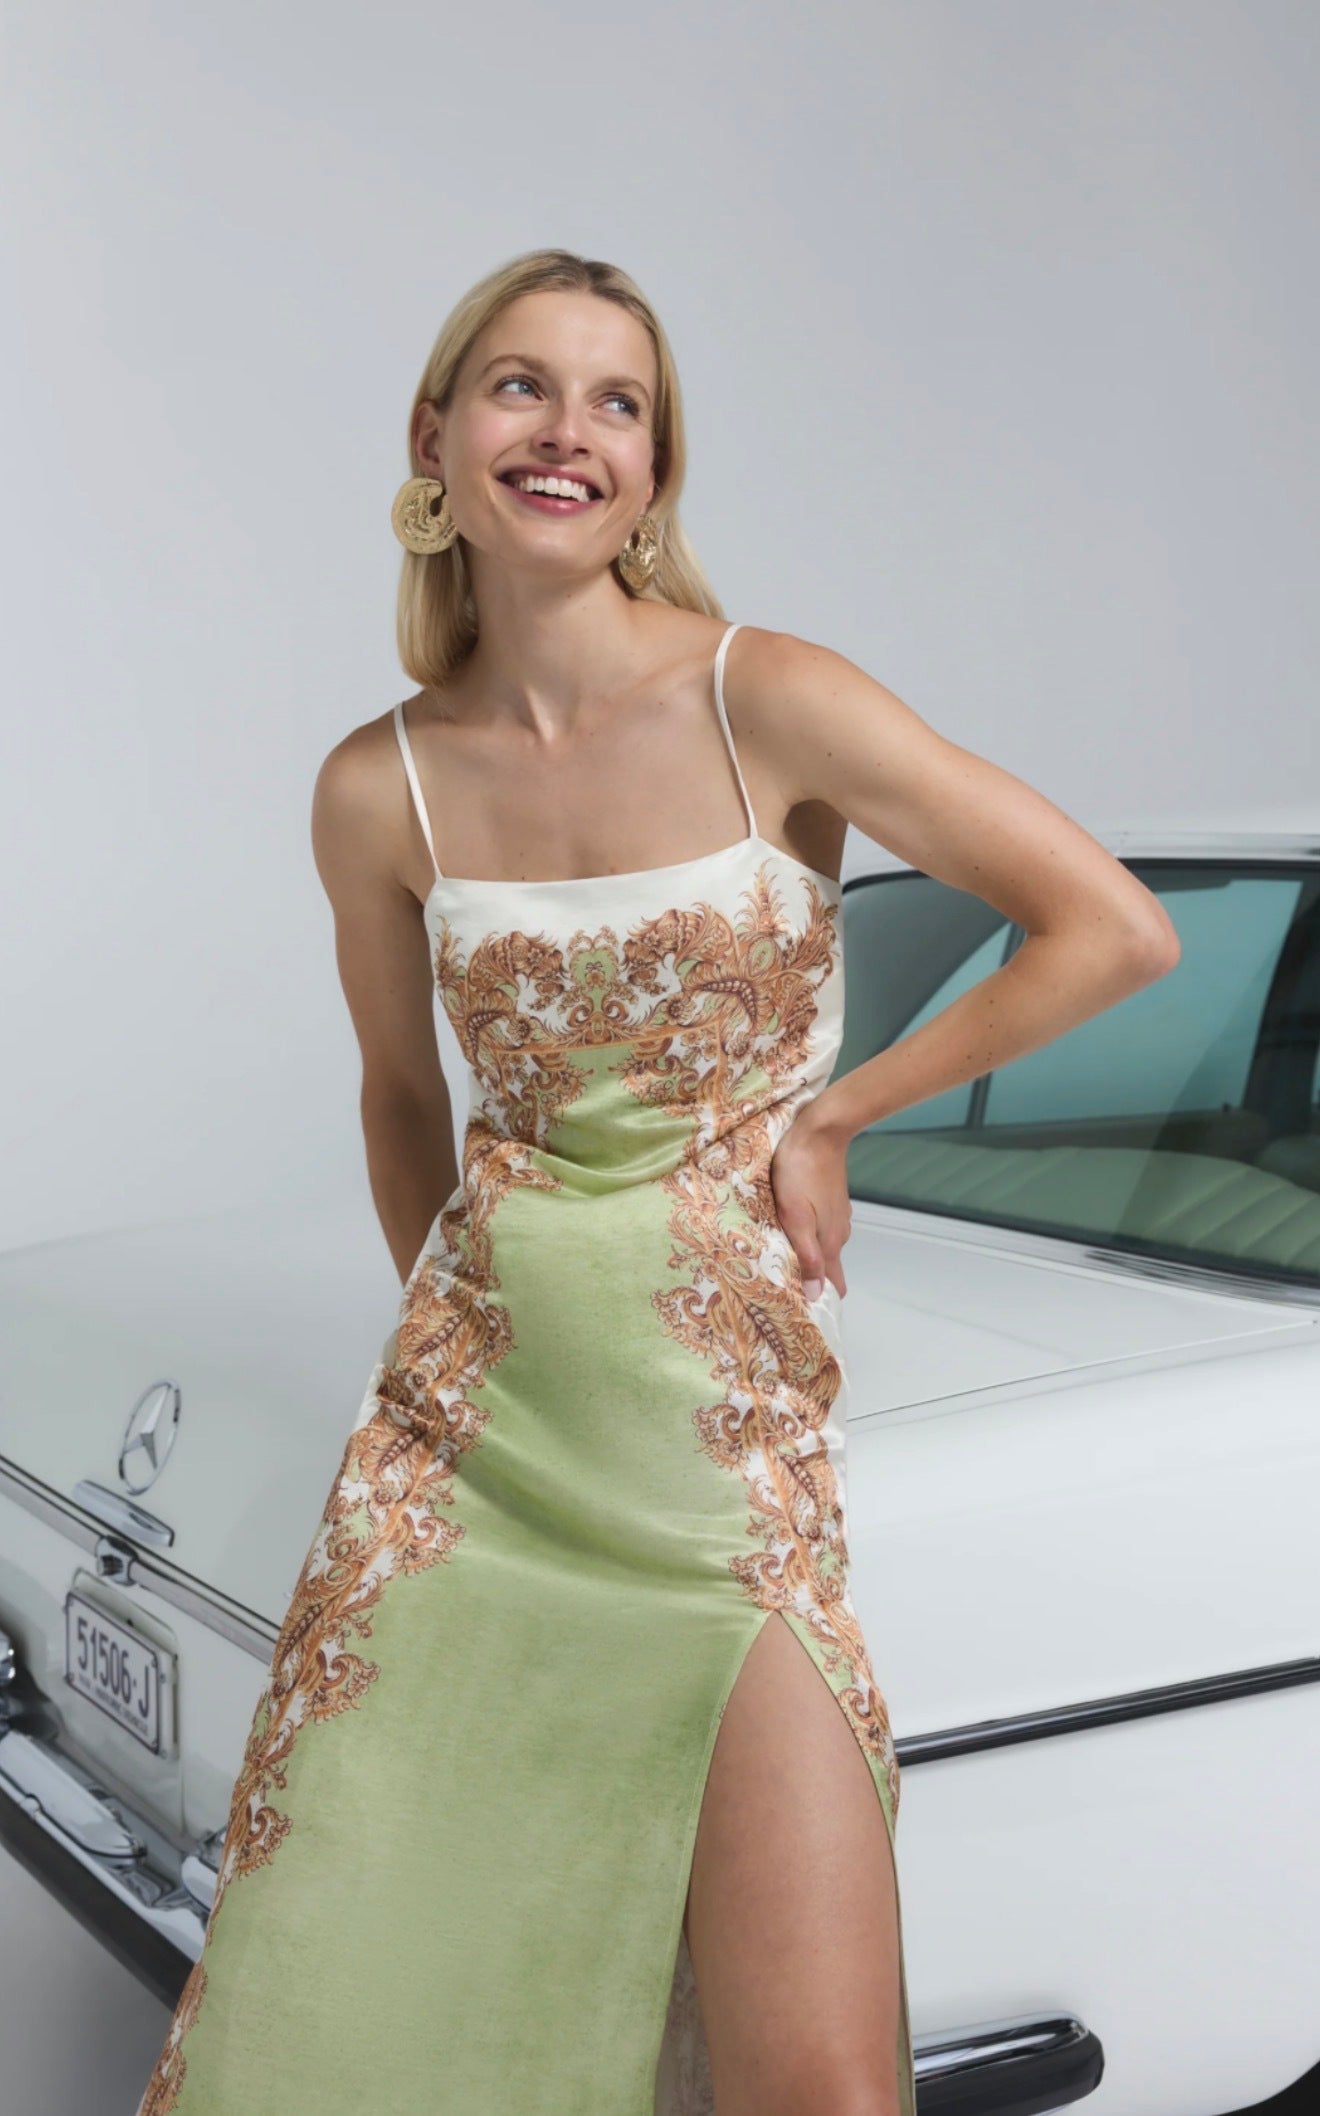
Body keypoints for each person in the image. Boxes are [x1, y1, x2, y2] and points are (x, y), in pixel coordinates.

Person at [136, 246, 1178, 2116]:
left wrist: (837, 1119)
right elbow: (399, 1094)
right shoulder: (377, 787)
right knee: (399, 2019)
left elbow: (1109, 927)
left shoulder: (767, 695)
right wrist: (462, 1348)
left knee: (821, 2088)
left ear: (654, 468)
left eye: (618, 402)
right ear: (434, 440)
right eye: (522, 386)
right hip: (477, 1457)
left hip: (718, 1456)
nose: (569, 432)